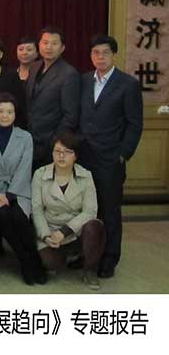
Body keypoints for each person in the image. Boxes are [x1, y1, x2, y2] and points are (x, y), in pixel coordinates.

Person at [78, 35, 143, 278]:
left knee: (109, 210)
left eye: (105, 52)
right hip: (84, 156)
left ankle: (109, 257)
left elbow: (134, 124)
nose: (100, 57)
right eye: (96, 52)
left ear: (114, 54)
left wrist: (123, 154)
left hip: (110, 159)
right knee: (86, 208)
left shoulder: (128, 84)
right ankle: (87, 255)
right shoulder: (84, 80)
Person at [0, 93, 47, 286]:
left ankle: (34, 259)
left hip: (18, 190)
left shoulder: (25, 137)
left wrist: (9, 195)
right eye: (0, 111)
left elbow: (25, 168)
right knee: (3, 215)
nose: (4, 115)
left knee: (20, 217)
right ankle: (27, 263)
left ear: (16, 114)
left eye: (9, 112)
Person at [31, 132, 106, 290]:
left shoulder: (85, 176)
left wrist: (64, 232)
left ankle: (90, 269)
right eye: (57, 151)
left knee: (94, 226)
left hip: (76, 232)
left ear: (75, 156)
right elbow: (36, 210)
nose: (61, 156)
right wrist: (45, 235)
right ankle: (63, 257)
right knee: (50, 262)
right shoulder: (40, 174)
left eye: (67, 152)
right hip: (51, 231)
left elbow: (90, 211)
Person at [25, 27, 79, 168]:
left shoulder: (69, 74)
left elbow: (71, 116)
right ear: (39, 45)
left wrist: (55, 141)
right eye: (45, 42)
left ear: (62, 48)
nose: (49, 47)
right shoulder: (34, 67)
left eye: (54, 43)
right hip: (30, 139)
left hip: (50, 144)